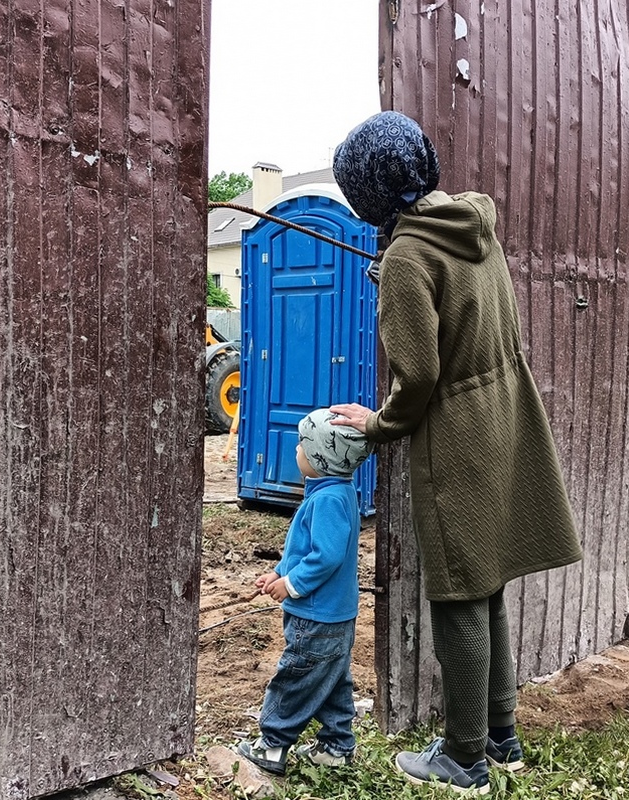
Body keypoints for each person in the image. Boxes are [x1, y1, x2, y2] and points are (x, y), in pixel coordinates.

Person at [328, 110, 583, 795]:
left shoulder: (411, 255)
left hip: (458, 434)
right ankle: (502, 736)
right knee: (487, 580)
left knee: (458, 594)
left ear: (370, 195)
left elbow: (416, 378)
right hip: (506, 413)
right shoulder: (472, 224)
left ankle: (465, 758)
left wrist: (378, 425)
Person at [236, 408, 375, 776]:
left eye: (302, 443)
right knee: (332, 680)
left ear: (319, 457)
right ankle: (336, 746)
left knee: (297, 676)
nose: (296, 449)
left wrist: (291, 585)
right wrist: (278, 573)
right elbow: (305, 548)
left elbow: (325, 557)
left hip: (316, 615)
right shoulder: (335, 492)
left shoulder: (327, 500)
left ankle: (272, 745)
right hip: (334, 614)